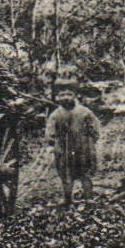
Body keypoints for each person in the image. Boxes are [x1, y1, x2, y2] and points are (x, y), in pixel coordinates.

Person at [44, 75, 100, 205]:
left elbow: (94, 127)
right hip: (64, 149)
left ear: (75, 95)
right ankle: (67, 199)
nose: (65, 98)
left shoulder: (85, 112)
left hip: (83, 148)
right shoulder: (56, 114)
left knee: (85, 172)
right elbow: (50, 130)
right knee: (66, 173)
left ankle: (88, 197)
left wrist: (91, 140)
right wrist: (51, 143)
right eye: (62, 95)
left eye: (69, 94)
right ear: (58, 97)